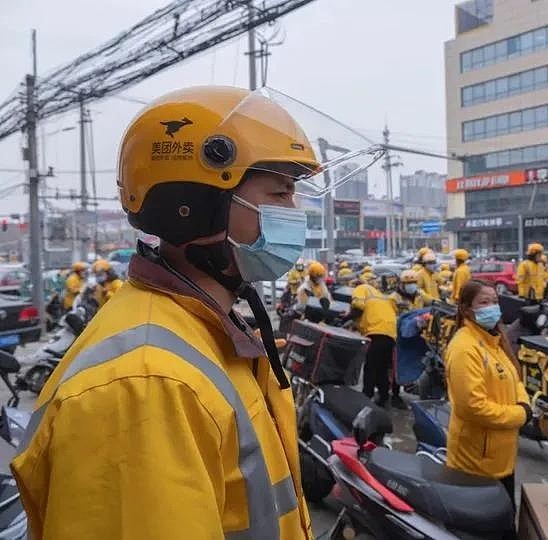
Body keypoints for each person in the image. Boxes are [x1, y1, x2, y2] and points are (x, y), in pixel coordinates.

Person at [12, 86, 320, 539]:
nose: (294, 214)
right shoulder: (144, 388)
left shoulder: (209, 330)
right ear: (193, 207)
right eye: (279, 194)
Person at [445, 280, 531, 509]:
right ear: (466, 309)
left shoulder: (493, 342)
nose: (492, 307)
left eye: (495, 301)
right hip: (476, 464)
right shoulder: (465, 347)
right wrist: (520, 414)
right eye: (484, 302)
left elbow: (515, 379)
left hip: (500, 460)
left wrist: (524, 403)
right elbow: (472, 406)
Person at [352, 275, 398, 408]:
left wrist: (346, 317)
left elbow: (358, 306)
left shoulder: (360, 288)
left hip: (376, 333)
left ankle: (367, 396)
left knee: (370, 366)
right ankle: (383, 396)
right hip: (390, 334)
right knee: (382, 367)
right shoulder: (379, 296)